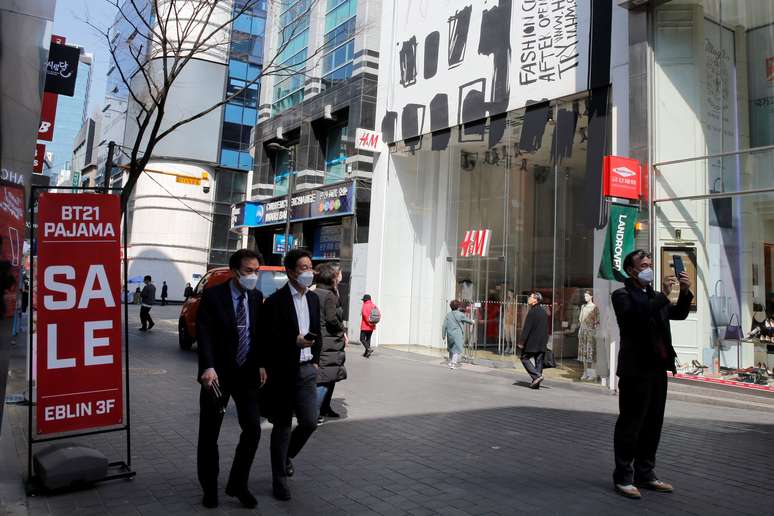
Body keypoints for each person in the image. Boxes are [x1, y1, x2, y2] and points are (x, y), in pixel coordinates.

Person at [611, 249, 692, 499]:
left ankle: (645, 473)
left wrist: (685, 292)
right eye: (643, 264)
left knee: (653, 424)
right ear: (631, 270)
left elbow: (677, 314)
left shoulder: (655, 296)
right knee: (631, 423)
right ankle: (623, 476)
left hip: (658, 368)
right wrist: (663, 297)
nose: (648, 268)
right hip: (636, 369)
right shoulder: (622, 295)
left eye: (650, 264)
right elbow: (634, 318)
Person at [196, 249, 266, 509]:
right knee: (209, 433)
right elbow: (204, 333)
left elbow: (256, 334)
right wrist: (207, 367)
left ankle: (238, 484)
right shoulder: (214, 295)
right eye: (248, 271)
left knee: (253, 429)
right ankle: (209, 488)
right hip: (216, 375)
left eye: (256, 271)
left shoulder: (257, 297)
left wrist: (260, 364)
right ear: (234, 270)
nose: (253, 276)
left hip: (246, 373)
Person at [263, 248, 322, 501]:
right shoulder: (275, 302)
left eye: (311, 267)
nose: (309, 272)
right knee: (283, 426)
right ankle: (279, 479)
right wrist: (293, 341)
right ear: (290, 272)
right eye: (304, 268)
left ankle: (287, 456)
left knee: (309, 421)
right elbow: (268, 338)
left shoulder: (313, 299)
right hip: (283, 372)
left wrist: (316, 361)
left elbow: (317, 330)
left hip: (307, 370)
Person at [313, 263, 347, 425]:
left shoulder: (318, 291)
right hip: (329, 341)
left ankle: (324, 407)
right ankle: (314, 412)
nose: (340, 276)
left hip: (326, 339)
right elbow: (332, 319)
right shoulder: (328, 295)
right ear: (332, 277)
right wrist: (342, 330)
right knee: (325, 378)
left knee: (329, 376)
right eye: (338, 274)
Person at [517, 292, 549, 389]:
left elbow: (527, 328)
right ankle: (536, 383)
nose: (529, 299)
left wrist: (522, 341)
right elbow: (546, 328)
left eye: (530, 297)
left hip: (532, 342)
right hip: (542, 342)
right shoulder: (544, 312)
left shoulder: (532, 311)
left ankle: (537, 376)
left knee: (524, 358)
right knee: (539, 361)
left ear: (535, 300)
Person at [442, 300, 473, 369]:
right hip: (457, 335)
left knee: (451, 348)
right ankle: (453, 364)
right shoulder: (460, 314)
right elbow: (467, 320)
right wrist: (472, 322)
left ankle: (450, 362)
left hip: (449, 334)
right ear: (458, 306)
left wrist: (443, 335)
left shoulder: (448, 315)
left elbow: (444, 326)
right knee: (456, 349)